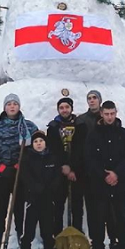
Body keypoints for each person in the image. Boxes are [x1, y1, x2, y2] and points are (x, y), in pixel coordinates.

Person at [83, 100, 125, 249]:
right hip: (99, 184)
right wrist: (104, 174)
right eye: (106, 114)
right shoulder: (93, 134)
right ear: (101, 114)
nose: (110, 117)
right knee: (98, 218)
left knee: (120, 218)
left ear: (116, 113)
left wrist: (117, 173)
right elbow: (89, 158)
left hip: (119, 183)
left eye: (112, 113)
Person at [0, 94, 36, 249]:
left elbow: (35, 149)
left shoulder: (29, 128)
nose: (12, 107)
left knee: (20, 212)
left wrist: (23, 165)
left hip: (21, 177)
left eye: (15, 104)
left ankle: (24, 245)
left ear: (19, 106)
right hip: (1, 177)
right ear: (4, 107)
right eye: (9, 104)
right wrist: (1, 167)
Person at [15, 130, 65, 249]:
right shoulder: (27, 158)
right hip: (32, 199)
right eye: (36, 141)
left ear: (45, 143)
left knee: (48, 232)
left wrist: (50, 190)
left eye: (41, 141)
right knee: (28, 233)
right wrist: (37, 188)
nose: (38, 144)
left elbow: (57, 177)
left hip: (48, 200)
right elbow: (25, 177)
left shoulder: (52, 158)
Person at [66, 90, 102, 233]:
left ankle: (96, 240)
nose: (92, 100)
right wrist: (74, 167)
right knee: (77, 206)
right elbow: (76, 146)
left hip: (98, 169)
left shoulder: (106, 117)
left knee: (95, 207)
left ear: (99, 100)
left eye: (94, 98)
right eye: (89, 98)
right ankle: (77, 235)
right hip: (81, 169)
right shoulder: (80, 120)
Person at [45, 97, 77, 236]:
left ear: (71, 108)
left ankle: (77, 235)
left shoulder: (80, 124)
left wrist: (73, 168)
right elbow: (52, 149)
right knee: (57, 205)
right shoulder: (53, 127)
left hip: (76, 172)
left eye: (67, 107)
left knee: (77, 207)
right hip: (58, 172)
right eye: (61, 108)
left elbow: (82, 148)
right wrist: (63, 166)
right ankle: (57, 236)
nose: (64, 110)